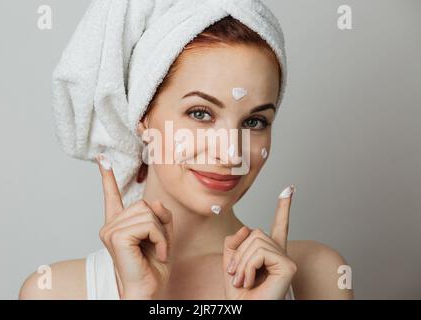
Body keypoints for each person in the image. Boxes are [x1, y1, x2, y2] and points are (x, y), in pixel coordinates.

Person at [19, 4, 353, 300]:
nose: (230, 154)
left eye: (254, 121)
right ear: (143, 118)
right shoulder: (55, 291)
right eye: (200, 114)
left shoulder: (317, 274)